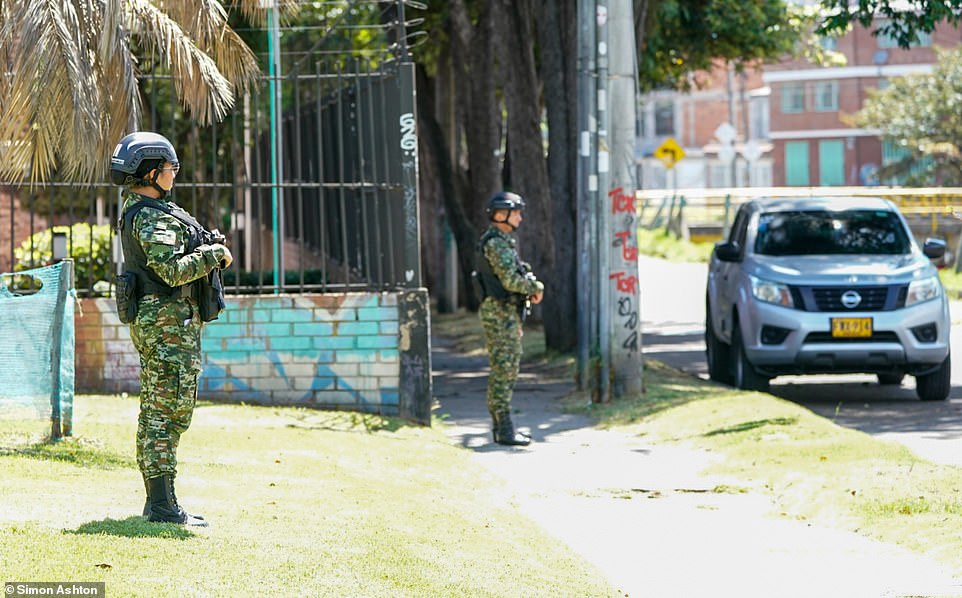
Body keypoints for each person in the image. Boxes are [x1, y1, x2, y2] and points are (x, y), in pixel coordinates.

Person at [110, 131, 233, 526]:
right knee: (167, 412)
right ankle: (163, 505)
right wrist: (213, 255)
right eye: (169, 168)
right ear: (149, 172)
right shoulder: (148, 216)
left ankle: (158, 500)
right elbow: (170, 271)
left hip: (165, 324)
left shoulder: (149, 210)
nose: (174, 174)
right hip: (166, 327)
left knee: (158, 411)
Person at [474, 191, 544, 446]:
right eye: (516, 213)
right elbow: (511, 280)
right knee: (504, 370)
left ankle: (503, 427)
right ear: (502, 215)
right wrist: (536, 287)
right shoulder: (495, 243)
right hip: (499, 313)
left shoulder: (502, 241)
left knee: (507, 368)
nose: (521, 218)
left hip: (505, 312)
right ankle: (503, 429)